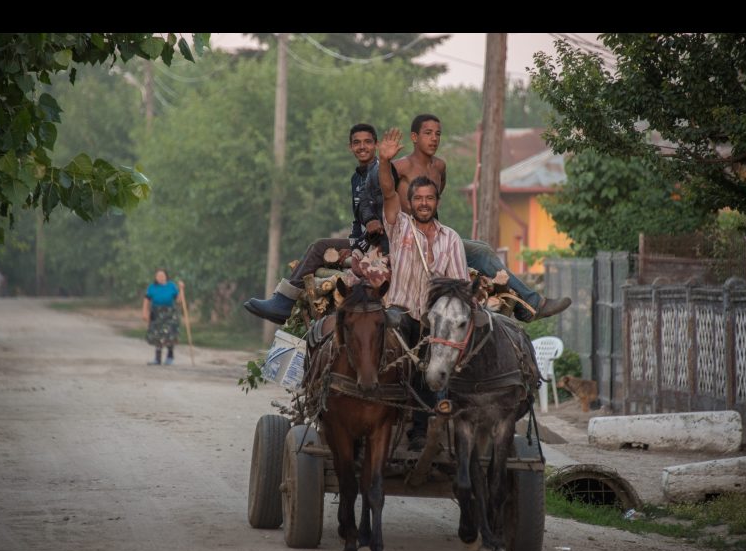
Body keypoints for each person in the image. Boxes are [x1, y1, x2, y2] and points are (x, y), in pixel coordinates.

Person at [359, 114, 571, 322]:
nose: (434, 138)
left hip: (431, 237)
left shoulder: (439, 167)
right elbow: (376, 195)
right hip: (404, 238)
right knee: (481, 252)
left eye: (438, 134)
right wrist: (371, 220)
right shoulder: (400, 166)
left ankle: (526, 306)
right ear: (414, 137)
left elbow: (435, 198)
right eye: (428, 133)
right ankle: (533, 304)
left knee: (480, 247)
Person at [378, 127, 468, 450]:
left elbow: (460, 290)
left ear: (437, 202)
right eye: (418, 199)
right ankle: (375, 412)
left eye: (430, 199)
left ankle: (420, 430)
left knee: (435, 351)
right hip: (399, 315)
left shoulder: (452, 239)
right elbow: (389, 192)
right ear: (410, 202)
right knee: (390, 330)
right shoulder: (398, 225)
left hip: (433, 322)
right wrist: (384, 160)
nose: (424, 203)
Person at [243, 123, 379, 325]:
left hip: (378, 243)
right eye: (357, 143)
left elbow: (380, 218)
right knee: (319, 247)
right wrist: (352, 243)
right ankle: (283, 300)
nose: (362, 147)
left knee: (319, 247)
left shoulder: (379, 173)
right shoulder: (357, 177)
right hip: (361, 240)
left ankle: (283, 302)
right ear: (349, 147)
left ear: (376, 145)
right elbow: (359, 220)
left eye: (367, 142)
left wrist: (358, 249)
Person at [142, 268, 185, 365]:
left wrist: (181, 289)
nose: (160, 278)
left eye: (162, 276)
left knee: (170, 334)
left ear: (166, 276)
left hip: (170, 313)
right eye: (158, 276)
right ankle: (157, 359)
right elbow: (146, 300)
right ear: (155, 277)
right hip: (156, 312)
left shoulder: (171, 286)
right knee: (157, 335)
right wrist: (144, 312)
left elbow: (179, 301)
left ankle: (170, 357)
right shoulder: (152, 287)